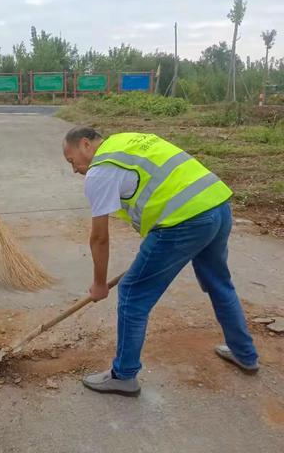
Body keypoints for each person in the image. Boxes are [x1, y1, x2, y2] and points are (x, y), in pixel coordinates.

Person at [62, 126, 259, 397]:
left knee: (132, 292)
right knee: (218, 282)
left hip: (185, 221)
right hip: (217, 205)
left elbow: (99, 238)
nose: (75, 169)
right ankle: (245, 354)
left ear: (85, 144)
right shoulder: (126, 140)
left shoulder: (100, 170)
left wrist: (99, 284)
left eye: (71, 161)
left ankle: (124, 375)